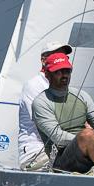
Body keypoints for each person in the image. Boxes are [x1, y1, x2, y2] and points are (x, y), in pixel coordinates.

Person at [18, 41, 73, 170]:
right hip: (36, 151)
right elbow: (45, 123)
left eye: (64, 57)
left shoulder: (62, 86)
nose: (61, 61)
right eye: (56, 56)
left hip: (59, 149)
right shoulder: (34, 85)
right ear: (43, 60)